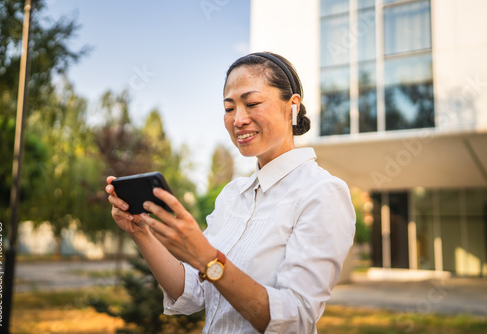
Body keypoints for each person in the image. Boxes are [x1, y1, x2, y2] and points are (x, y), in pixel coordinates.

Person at [106, 52, 355, 333]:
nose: (238, 120)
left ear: (292, 106)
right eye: (229, 108)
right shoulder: (232, 194)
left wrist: (209, 259)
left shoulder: (322, 192)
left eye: (252, 103)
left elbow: (295, 319)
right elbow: (194, 294)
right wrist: (141, 233)